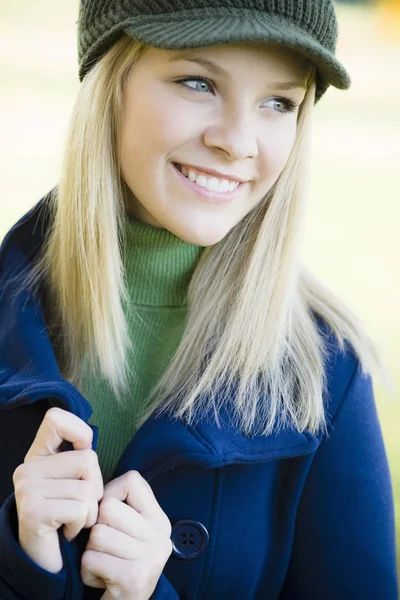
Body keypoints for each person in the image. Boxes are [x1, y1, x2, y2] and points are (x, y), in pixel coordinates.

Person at [0, 0, 397, 598]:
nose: (238, 142)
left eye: (278, 103)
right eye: (198, 82)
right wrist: (22, 561)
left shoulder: (326, 373)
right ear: (111, 79)